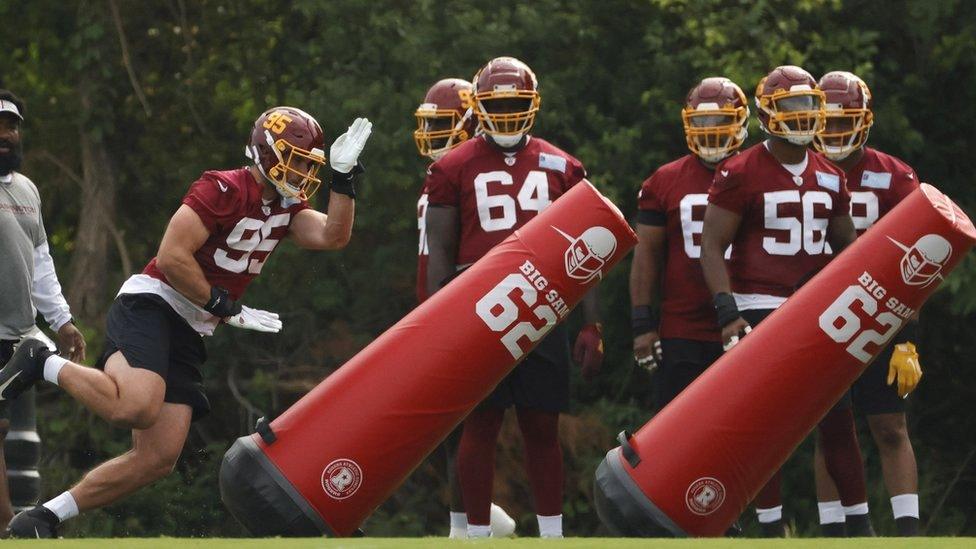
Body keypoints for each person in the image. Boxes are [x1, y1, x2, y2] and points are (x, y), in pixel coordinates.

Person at [0, 107, 372, 537]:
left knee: (157, 457)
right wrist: (224, 305)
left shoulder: (286, 206)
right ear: (266, 152)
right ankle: (40, 359)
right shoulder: (222, 187)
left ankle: (43, 517)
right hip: (153, 305)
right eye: (299, 158)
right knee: (136, 406)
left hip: (192, 325)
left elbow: (333, 236)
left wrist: (344, 179)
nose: (304, 170)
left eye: (311, 163)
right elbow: (173, 255)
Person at [425, 56, 603, 538]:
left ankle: (552, 534)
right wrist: (439, 321)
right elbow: (440, 252)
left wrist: (592, 323)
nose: (506, 112)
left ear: (533, 104)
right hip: (481, 309)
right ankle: (477, 534)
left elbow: (587, 249)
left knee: (542, 426)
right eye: (497, 103)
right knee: (479, 425)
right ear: (479, 107)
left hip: (544, 305)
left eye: (515, 102)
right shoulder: (451, 166)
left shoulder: (564, 165)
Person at [699, 65, 873, 537]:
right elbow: (711, 246)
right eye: (792, 106)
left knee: (838, 419)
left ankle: (860, 527)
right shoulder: (740, 170)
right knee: (765, 426)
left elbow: (851, 251)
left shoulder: (832, 175)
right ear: (767, 113)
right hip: (759, 304)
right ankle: (770, 527)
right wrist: (727, 310)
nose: (803, 115)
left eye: (808, 105)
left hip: (815, 311)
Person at [812, 70, 922, 536]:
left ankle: (908, 530)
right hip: (816, 316)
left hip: (880, 315)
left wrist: (908, 337)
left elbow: (921, 261)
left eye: (845, 122)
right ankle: (837, 532)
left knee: (890, 425)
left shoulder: (894, 176)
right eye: (829, 123)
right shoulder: (801, 173)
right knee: (830, 429)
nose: (835, 133)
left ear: (865, 121)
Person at [412, 77, 515, 538]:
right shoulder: (447, 173)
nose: (435, 133)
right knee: (451, 429)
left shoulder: (469, 173)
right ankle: (470, 520)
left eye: (445, 124)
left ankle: (469, 524)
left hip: (469, 313)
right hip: (434, 309)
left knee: (471, 424)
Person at [630, 77, 748, 409]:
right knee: (677, 437)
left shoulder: (759, 171)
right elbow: (646, 256)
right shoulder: (664, 181)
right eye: (702, 122)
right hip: (683, 328)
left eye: (720, 121)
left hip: (747, 320)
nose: (710, 130)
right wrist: (642, 324)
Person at [0, 88, 86, 530]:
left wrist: (63, 321)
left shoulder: (27, 191)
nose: (5, 135)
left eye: (11, 126)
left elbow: (41, 263)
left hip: (17, 339)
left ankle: (12, 526)